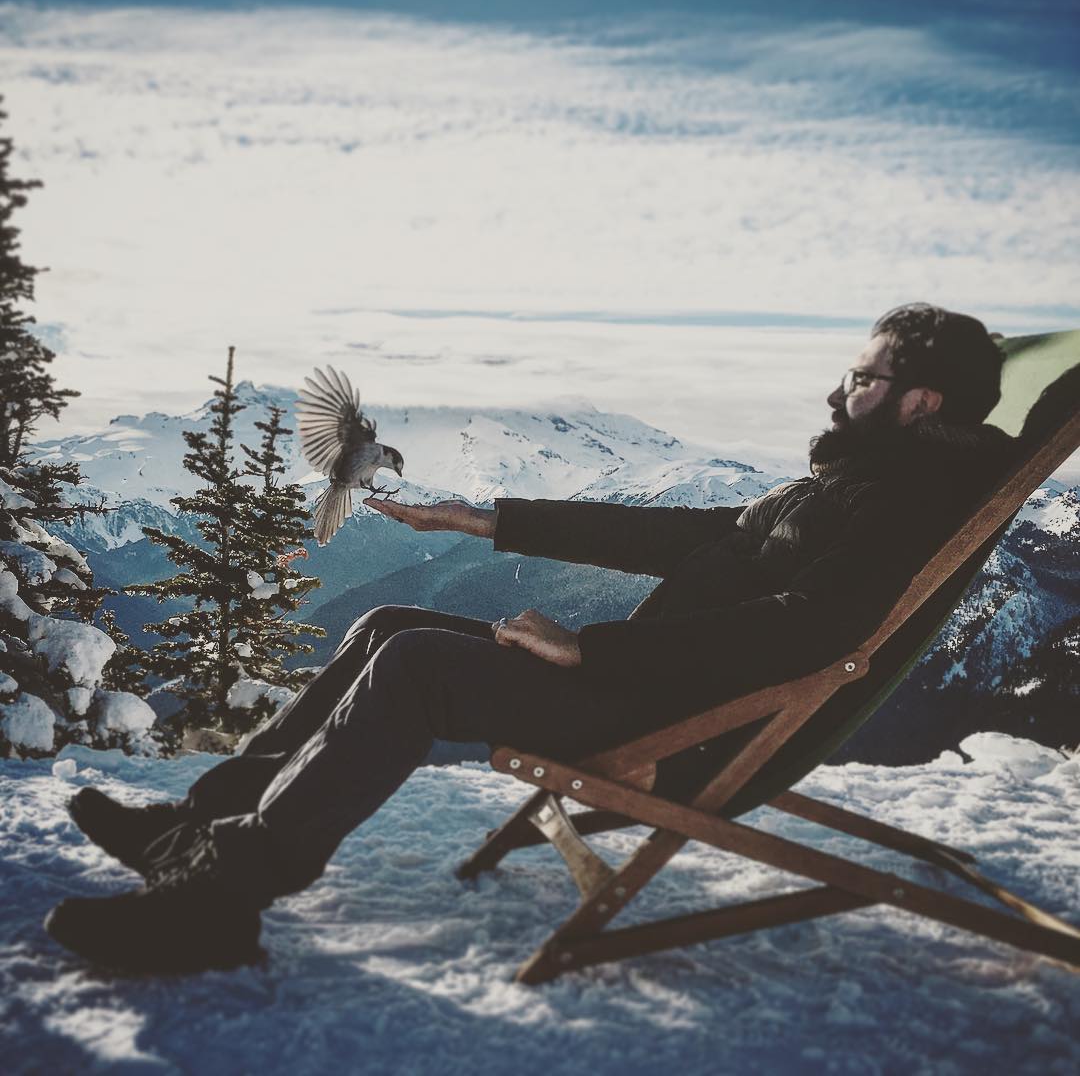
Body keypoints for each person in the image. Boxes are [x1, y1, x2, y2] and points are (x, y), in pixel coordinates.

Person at [45, 302, 1015, 972]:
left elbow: (810, 635)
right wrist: (490, 521)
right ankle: (199, 831)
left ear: (921, 400)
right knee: (390, 619)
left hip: (679, 724)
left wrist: (593, 652)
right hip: (658, 690)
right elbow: (684, 534)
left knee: (418, 665)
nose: (839, 389)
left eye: (862, 374)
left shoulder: (896, 498)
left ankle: (224, 897)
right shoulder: (859, 480)